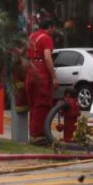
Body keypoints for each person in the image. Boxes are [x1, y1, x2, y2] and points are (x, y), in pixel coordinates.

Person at [25, 15, 56, 145]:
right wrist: (54, 77)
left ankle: (33, 134)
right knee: (42, 105)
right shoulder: (46, 38)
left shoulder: (32, 36)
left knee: (33, 106)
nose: (54, 30)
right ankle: (38, 137)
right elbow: (47, 58)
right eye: (54, 28)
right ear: (50, 27)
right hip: (41, 72)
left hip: (30, 70)